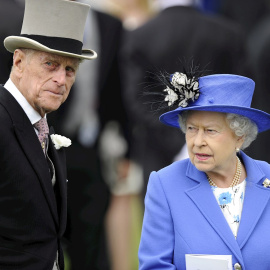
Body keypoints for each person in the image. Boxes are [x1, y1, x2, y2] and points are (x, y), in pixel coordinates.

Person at [138, 71, 270, 269]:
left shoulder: (267, 178)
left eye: (210, 131)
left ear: (240, 136)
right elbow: (154, 265)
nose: (198, 142)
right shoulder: (165, 185)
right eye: (191, 129)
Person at [0, 0, 97, 269]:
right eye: (50, 64)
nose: (61, 80)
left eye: (69, 70)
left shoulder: (40, 125)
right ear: (18, 61)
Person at [120, 0, 247, 198]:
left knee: (164, 222)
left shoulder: (140, 36)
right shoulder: (228, 34)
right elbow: (240, 96)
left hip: (159, 154)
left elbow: (137, 100)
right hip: (220, 153)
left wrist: (179, 138)